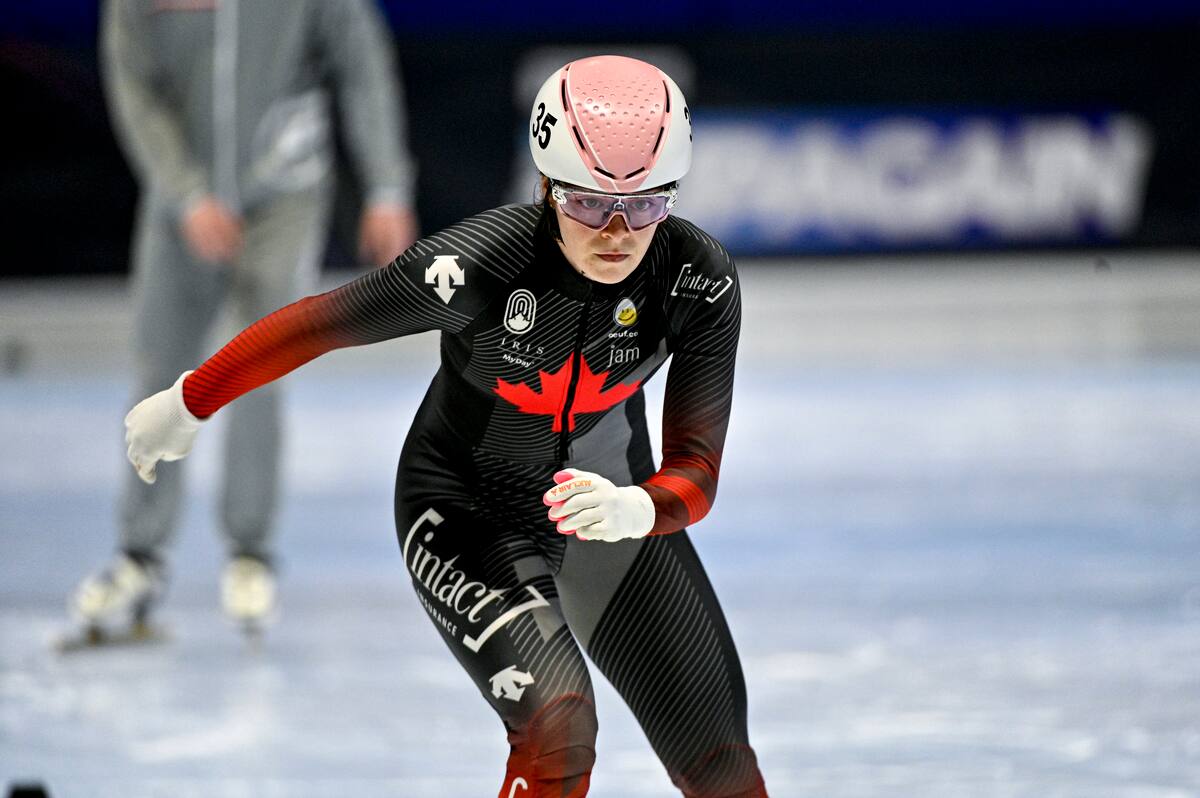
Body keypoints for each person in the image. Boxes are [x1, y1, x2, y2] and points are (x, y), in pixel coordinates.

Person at [121, 55, 767, 797]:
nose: (618, 232)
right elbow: (322, 323)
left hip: (610, 513)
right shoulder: (482, 262)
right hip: (465, 511)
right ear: (545, 187)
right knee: (557, 725)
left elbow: (697, 467)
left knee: (720, 764)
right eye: (590, 204)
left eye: (647, 204)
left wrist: (639, 506)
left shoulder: (697, 278)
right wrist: (189, 400)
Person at [72, 0, 418, 634]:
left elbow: (361, 60)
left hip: (285, 191)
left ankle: (251, 552)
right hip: (182, 205)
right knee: (159, 363)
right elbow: (134, 88)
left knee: (263, 358)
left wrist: (386, 185)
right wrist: (186, 194)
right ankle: (141, 554)